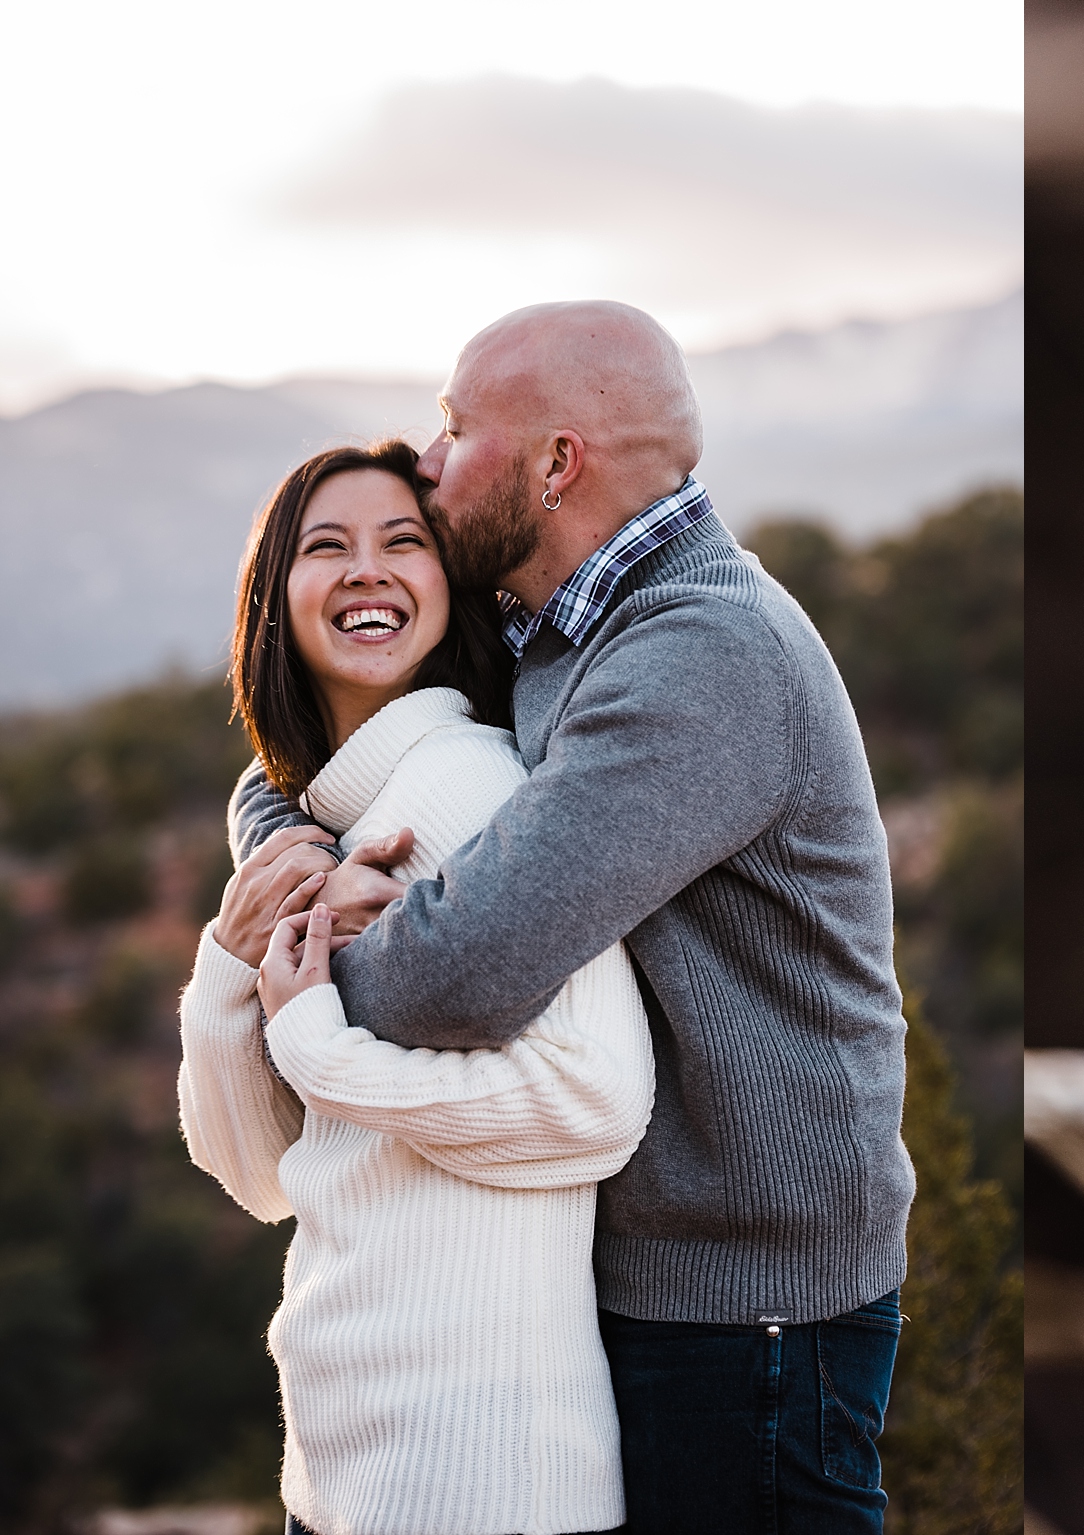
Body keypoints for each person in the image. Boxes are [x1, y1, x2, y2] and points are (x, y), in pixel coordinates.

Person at [226, 302, 917, 1533]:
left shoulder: (699, 652)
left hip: (748, 1301)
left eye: (454, 430)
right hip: (647, 1262)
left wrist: (307, 980)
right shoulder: (550, 615)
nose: (428, 463)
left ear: (555, 464)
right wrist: (284, 842)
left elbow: (460, 973)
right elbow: (325, 730)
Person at [181, 439, 656, 1535]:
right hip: (341, 1471)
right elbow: (262, 1176)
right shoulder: (324, 827)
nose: (367, 568)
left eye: (405, 542)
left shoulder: (468, 788)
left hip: (483, 1477)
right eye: (326, 546)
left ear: (451, 585)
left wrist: (319, 1045)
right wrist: (226, 963)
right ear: (274, 596)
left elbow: (596, 1101)